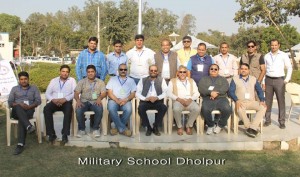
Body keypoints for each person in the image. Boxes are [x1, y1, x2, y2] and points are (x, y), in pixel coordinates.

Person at [228, 63, 267, 138]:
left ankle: (252, 127)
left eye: (245, 69)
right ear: (239, 70)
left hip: (251, 102)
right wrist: (236, 100)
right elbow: (231, 91)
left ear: (248, 70)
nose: (243, 70)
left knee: (263, 107)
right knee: (239, 108)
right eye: (242, 69)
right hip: (240, 102)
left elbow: (259, 90)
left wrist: (262, 100)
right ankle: (249, 127)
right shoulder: (235, 79)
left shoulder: (253, 79)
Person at [8, 71, 41, 155]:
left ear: (28, 79)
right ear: (19, 80)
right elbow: (10, 102)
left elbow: (38, 100)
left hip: (29, 110)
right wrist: (19, 104)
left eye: (25, 79)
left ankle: (20, 144)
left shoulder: (34, 88)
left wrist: (30, 106)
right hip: (16, 111)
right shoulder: (14, 89)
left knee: (22, 119)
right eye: (21, 79)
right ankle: (29, 126)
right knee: (19, 107)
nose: (23, 81)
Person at [43, 65, 77, 144]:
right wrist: (53, 100)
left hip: (66, 102)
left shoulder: (72, 80)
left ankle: (65, 134)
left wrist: (65, 99)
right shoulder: (54, 80)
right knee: (46, 109)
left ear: (69, 73)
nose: (65, 73)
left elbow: (75, 93)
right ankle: (51, 134)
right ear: (60, 72)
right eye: (63, 71)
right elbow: (47, 93)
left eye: (67, 72)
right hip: (54, 101)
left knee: (69, 109)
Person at [263, 39, 292, 129]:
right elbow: (264, 69)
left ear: (279, 45)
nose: (274, 47)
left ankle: (281, 121)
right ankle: (267, 120)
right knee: (268, 101)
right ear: (270, 45)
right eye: (272, 45)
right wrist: (263, 82)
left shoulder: (283, 55)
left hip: (279, 80)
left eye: (275, 45)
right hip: (268, 80)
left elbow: (289, 67)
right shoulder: (267, 56)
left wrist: (286, 80)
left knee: (281, 101)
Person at [74, 65, 107, 138]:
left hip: (95, 102)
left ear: (95, 72)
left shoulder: (100, 82)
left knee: (99, 109)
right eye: (88, 72)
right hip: (84, 101)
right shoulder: (82, 81)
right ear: (86, 73)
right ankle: (82, 129)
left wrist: (99, 98)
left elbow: (104, 93)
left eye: (92, 72)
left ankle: (95, 129)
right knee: (78, 110)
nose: (90, 73)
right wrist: (78, 100)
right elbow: (76, 93)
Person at [198, 64, 231, 135]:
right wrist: (210, 93)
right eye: (211, 69)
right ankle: (210, 125)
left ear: (218, 71)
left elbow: (225, 87)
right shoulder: (204, 79)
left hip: (221, 98)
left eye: (215, 69)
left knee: (227, 109)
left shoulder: (223, 79)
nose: (213, 70)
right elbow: (201, 88)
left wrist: (217, 93)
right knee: (205, 109)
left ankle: (220, 125)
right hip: (208, 98)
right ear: (209, 70)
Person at [167, 65, 200, 135]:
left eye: (184, 72)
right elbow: (169, 93)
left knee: (197, 108)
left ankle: (188, 126)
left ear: (187, 73)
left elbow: (197, 93)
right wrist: (178, 99)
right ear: (177, 73)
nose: (182, 73)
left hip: (189, 100)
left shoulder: (191, 81)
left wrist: (190, 99)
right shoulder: (172, 81)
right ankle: (179, 127)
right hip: (178, 101)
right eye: (180, 72)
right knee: (176, 109)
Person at [136, 65, 168, 136]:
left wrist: (157, 97)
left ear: (157, 72)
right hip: (146, 101)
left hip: (157, 101)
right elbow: (137, 92)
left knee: (163, 107)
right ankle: (148, 127)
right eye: (151, 70)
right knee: (140, 108)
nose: (153, 72)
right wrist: (145, 98)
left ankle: (155, 126)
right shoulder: (143, 80)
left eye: (155, 71)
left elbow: (166, 92)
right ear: (149, 71)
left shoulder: (161, 80)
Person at [106, 64, 136, 137]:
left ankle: (117, 128)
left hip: (126, 100)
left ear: (127, 71)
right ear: (118, 70)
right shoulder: (113, 79)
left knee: (129, 109)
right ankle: (123, 129)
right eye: (121, 69)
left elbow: (133, 93)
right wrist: (117, 100)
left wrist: (126, 100)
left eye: (125, 69)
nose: (123, 71)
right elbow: (109, 92)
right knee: (111, 108)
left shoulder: (131, 80)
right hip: (114, 99)